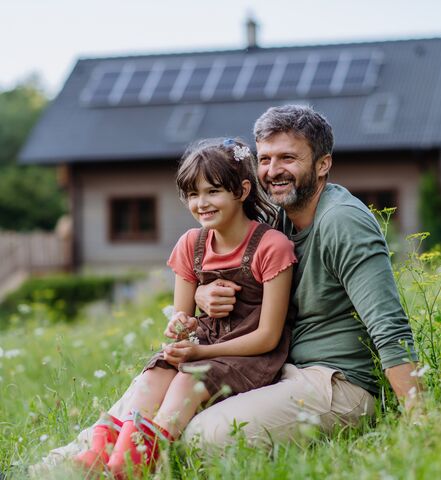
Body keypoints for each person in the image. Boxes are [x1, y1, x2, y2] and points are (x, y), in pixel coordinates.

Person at [36, 105, 420, 471]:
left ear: (323, 164)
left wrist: (420, 419)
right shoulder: (280, 219)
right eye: (266, 158)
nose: (274, 170)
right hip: (278, 368)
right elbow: (244, 279)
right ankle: (66, 464)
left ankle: (128, 464)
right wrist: (202, 295)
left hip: (335, 381)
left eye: (288, 158)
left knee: (203, 436)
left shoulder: (342, 222)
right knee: (156, 381)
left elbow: (390, 326)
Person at [73, 138, 296, 477]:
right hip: (203, 346)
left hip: (248, 352)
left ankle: (136, 464)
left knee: (184, 382)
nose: (201, 203)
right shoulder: (191, 244)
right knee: (154, 376)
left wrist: (197, 354)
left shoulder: (271, 246)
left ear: (242, 190)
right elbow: (185, 319)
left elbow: (267, 337)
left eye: (212, 192)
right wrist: (180, 329)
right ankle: (102, 456)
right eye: (193, 194)